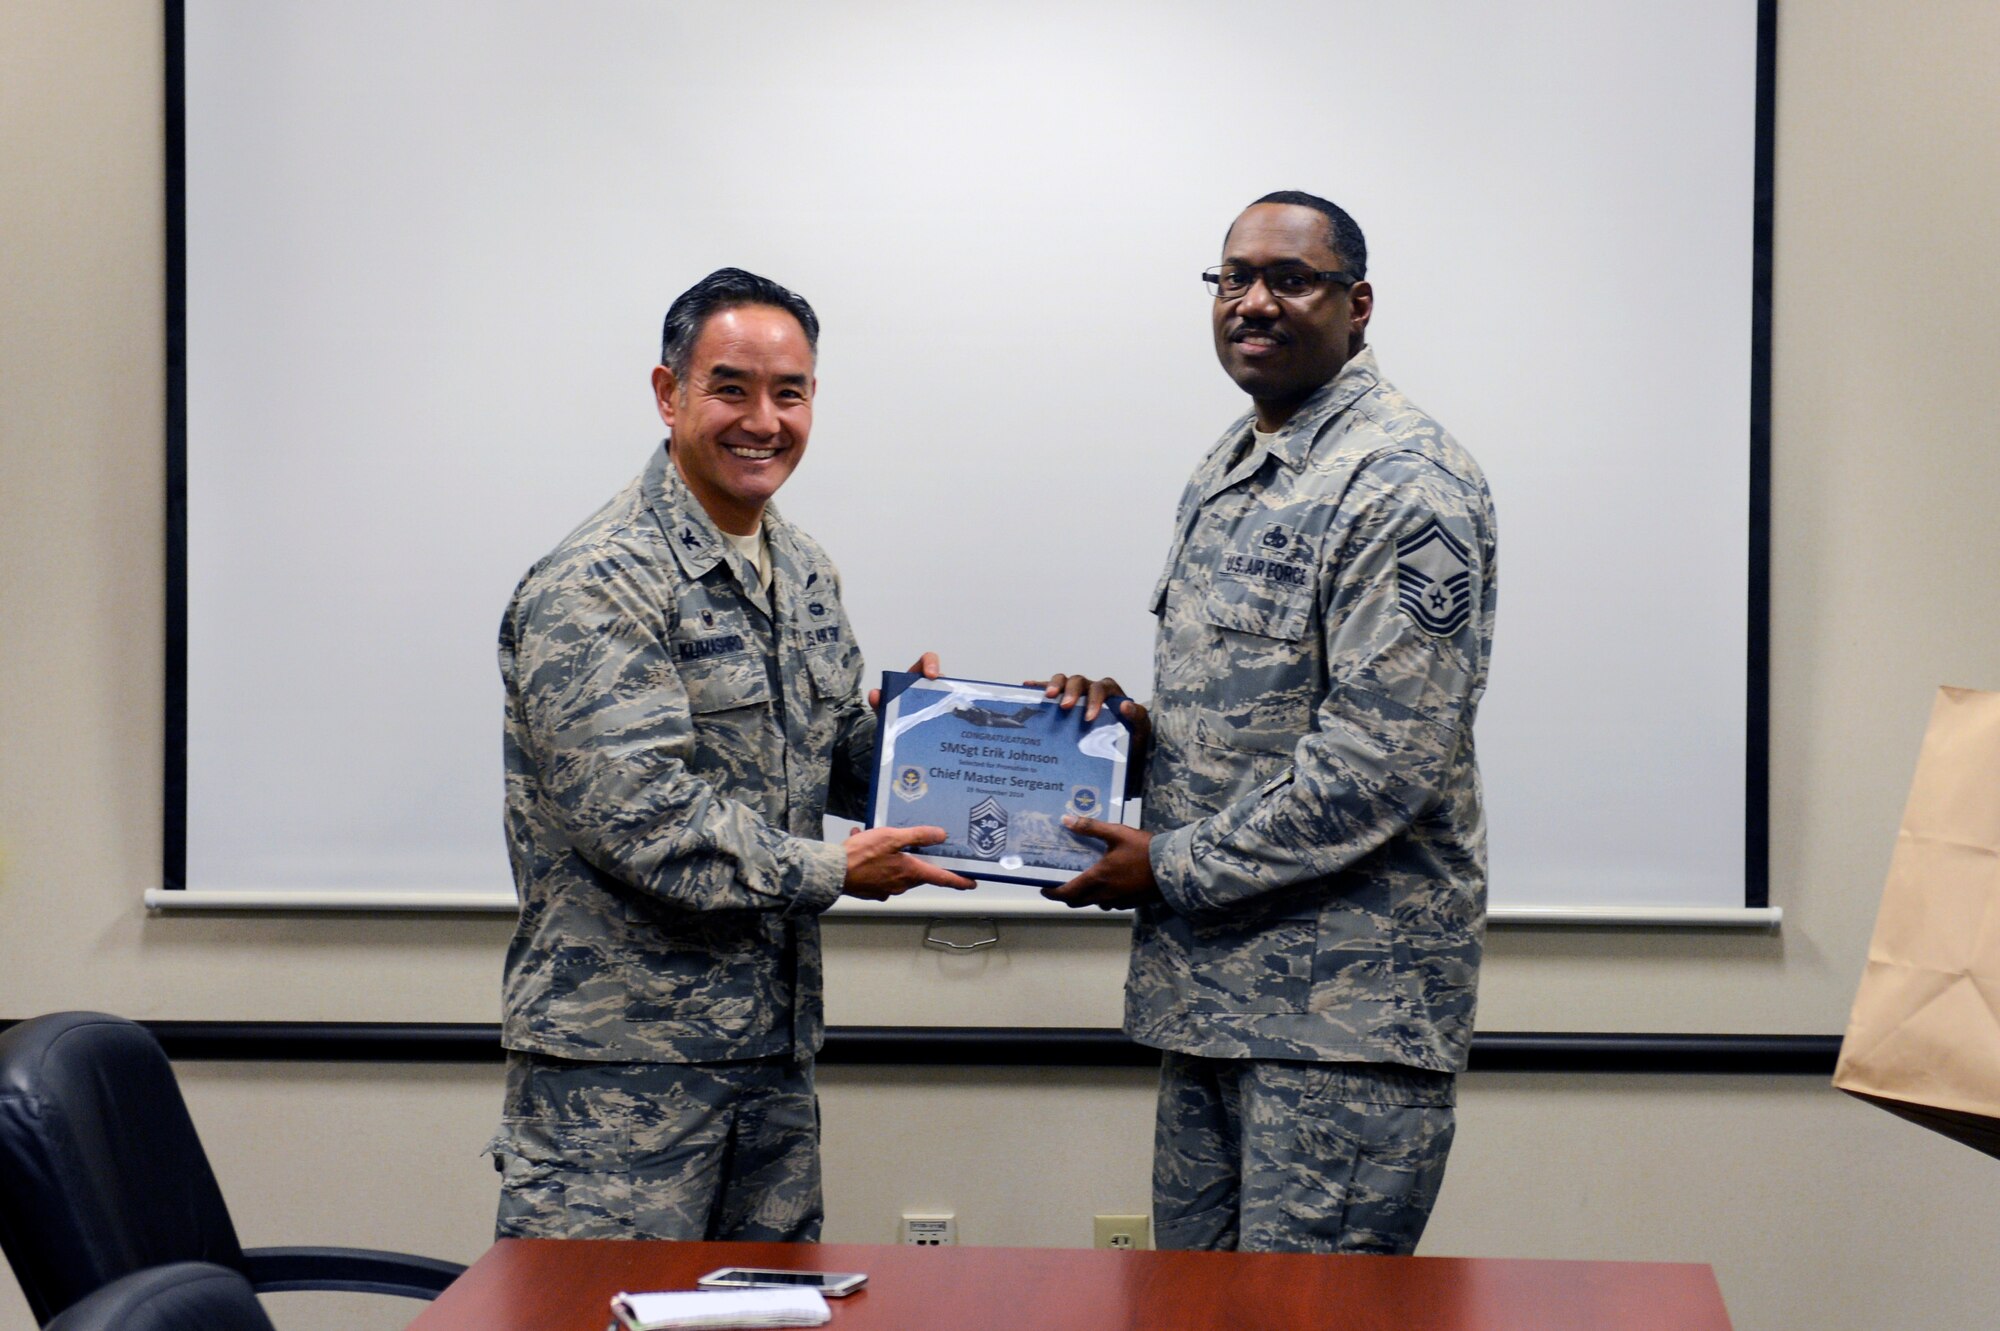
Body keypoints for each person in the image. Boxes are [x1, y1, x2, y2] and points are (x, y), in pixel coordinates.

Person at [1039, 192, 1497, 1255]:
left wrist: (1172, 863)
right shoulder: (1237, 460)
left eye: (1289, 279)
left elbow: (1382, 761)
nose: (1252, 301)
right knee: (1189, 1316)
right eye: (1231, 277)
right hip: (1212, 1002)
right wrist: (1116, 739)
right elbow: (1255, 709)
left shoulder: (1400, 481)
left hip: (1337, 1023)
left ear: (1358, 303)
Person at [489, 267, 971, 1242]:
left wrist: (936, 737)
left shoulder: (800, 567)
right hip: (621, 1077)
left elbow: (823, 753)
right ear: (668, 394)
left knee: (773, 1315)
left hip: (770, 1053)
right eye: (731, 387)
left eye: (787, 392)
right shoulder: (596, 582)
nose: (763, 419)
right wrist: (834, 868)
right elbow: (645, 820)